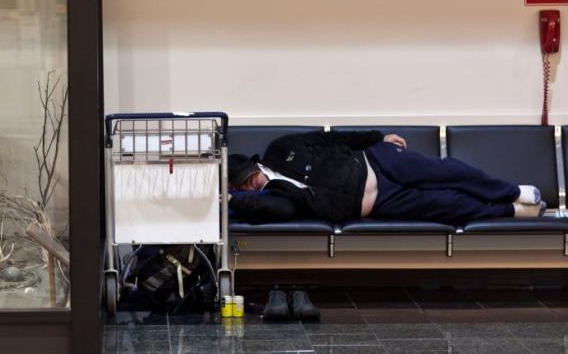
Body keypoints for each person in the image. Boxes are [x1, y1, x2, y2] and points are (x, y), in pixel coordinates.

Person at [228, 130, 545, 225]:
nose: (249, 185)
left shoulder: (279, 149)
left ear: (252, 165)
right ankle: (512, 210)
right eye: (243, 187)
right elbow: (280, 211)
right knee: (449, 206)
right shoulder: (273, 198)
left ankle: (512, 191)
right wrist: (237, 200)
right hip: (376, 202)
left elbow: (331, 139)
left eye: (248, 178)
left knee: (450, 171)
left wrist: (378, 137)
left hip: (375, 161)